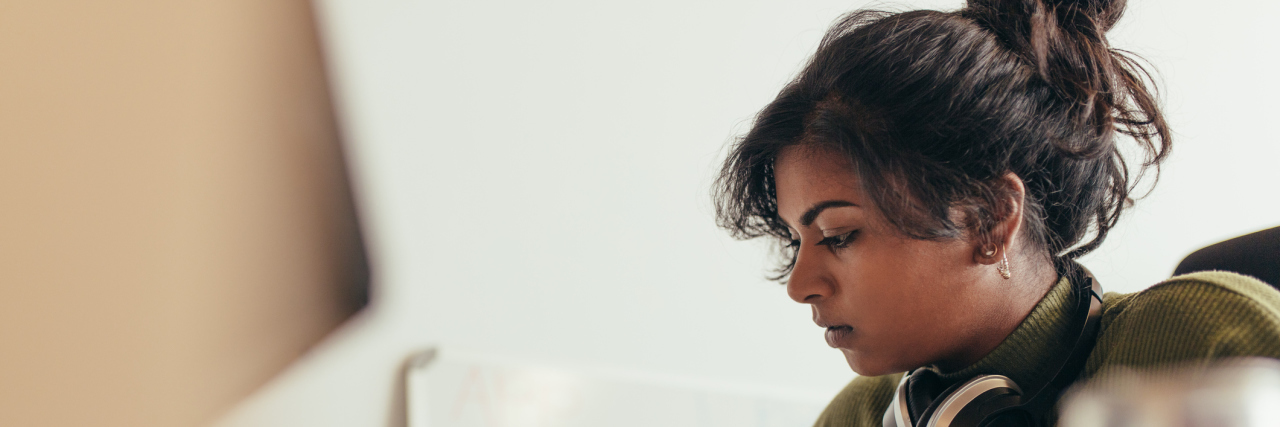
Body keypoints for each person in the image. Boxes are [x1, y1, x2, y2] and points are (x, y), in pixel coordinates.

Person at [711, 0, 1280, 425]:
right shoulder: (861, 415)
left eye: (839, 235)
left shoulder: (1206, 338)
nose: (800, 286)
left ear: (989, 218)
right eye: (796, 239)